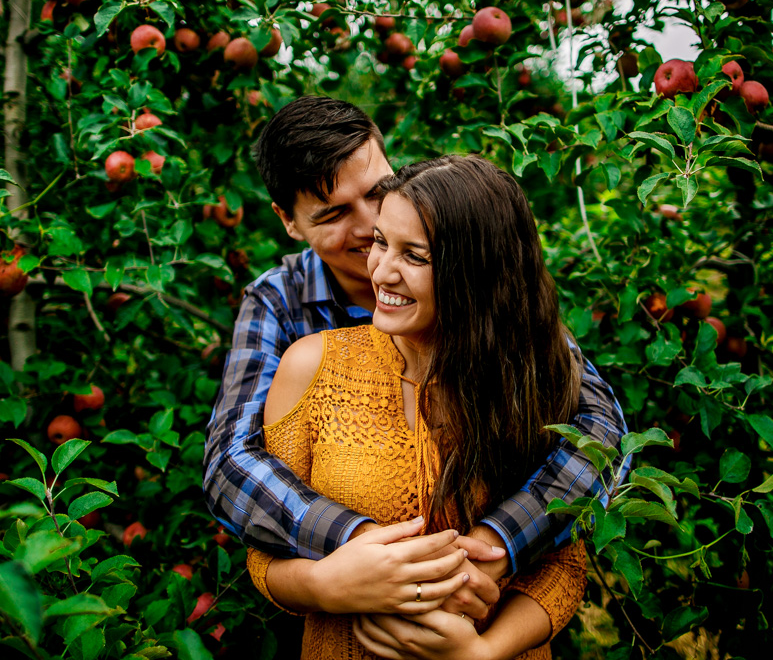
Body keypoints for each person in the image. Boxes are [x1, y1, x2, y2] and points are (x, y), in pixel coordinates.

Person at [202, 96, 627, 618]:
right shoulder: (279, 304)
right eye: (334, 213)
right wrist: (363, 547)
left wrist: (497, 545)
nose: (368, 225)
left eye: (375, 192)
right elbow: (230, 463)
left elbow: (600, 432)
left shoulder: (479, 279)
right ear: (288, 221)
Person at [247, 155, 588, 659]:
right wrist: (323, 586)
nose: (382, 271)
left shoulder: (531, 379)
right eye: (381, 242)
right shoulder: (312, 368)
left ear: (477, 270)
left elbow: (563, 564)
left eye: (415, 256)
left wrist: (483, 653)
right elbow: (264, 552)